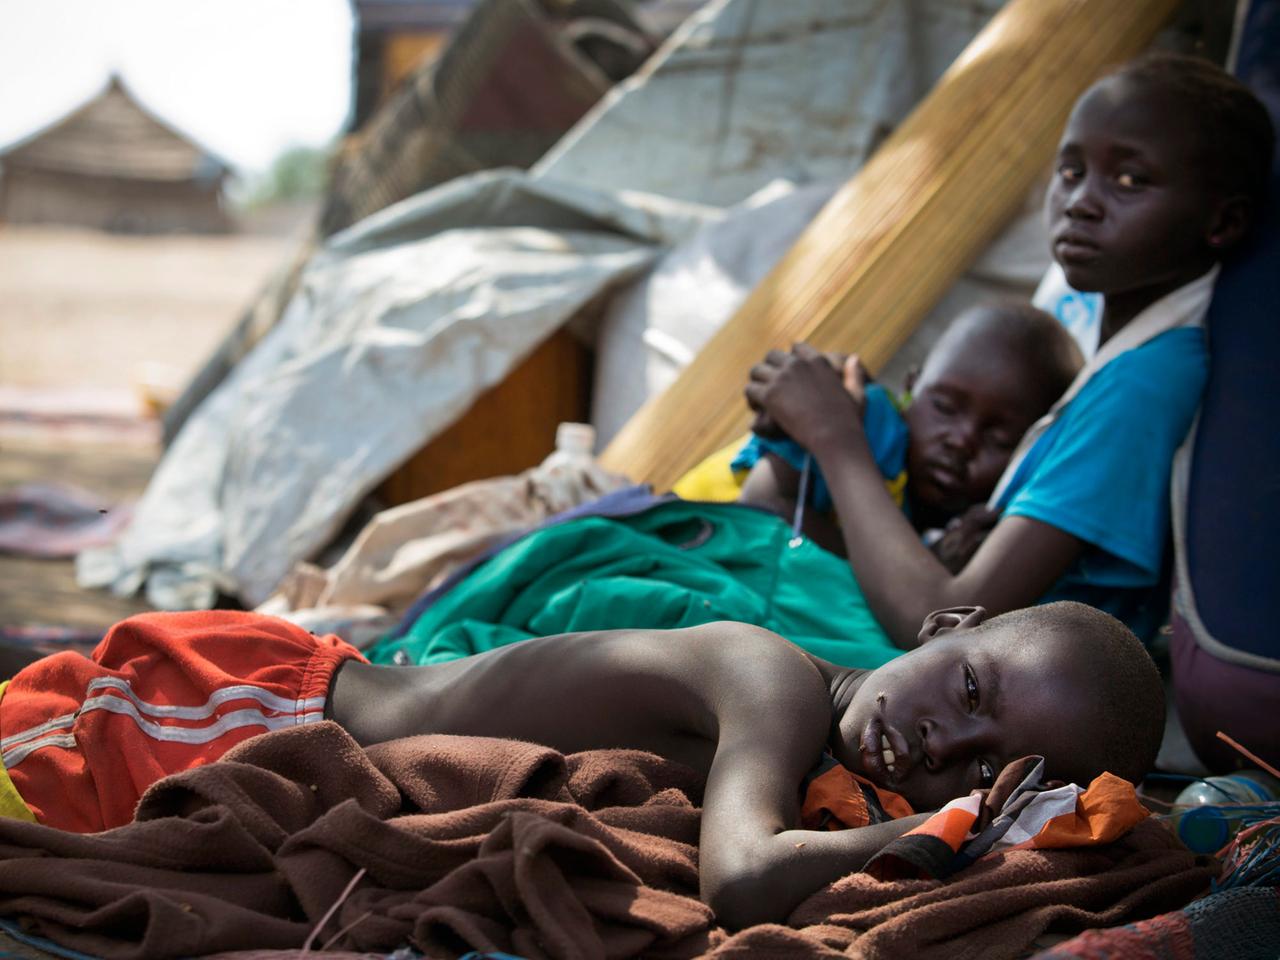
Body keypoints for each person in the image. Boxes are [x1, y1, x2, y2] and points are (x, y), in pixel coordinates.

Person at [0, 602, 1164, 928]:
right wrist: (943, 831)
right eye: (968, 695)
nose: (948, 749)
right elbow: (745, 878)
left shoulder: (826, 757)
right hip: (237, 707)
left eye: (994, 763)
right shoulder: (770, 680)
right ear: (945, 623)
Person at [743, 53, 1275, 647]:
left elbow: (940, 623)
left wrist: (834, 436)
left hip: (976, 679)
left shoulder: (1145, 386)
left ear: (1222, 223)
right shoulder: (1125, 347)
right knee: (759, 504)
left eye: (1130, 180)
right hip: (960, 641)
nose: (1081, 203)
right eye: (1071, 171)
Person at [731, 302, 1082, 556]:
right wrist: (918, 564)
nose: (961, 441)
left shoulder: (980, 526)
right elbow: (763, 501)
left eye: (999, 438)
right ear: (910, 387)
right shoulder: (861, 419)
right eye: (944, 408)